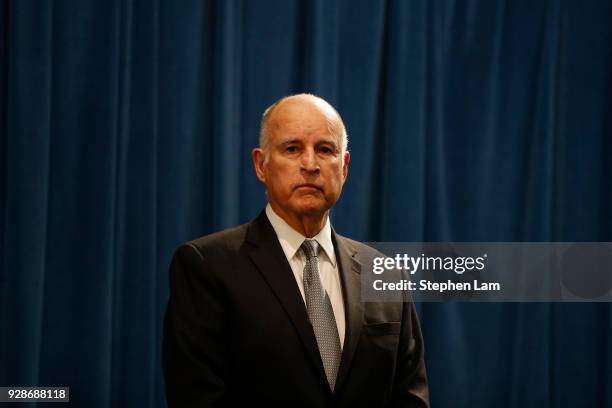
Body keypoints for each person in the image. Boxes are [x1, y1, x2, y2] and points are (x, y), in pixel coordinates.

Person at [162, 94, 429, 407]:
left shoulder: (387, 274)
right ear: (261, 164)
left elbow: (410, 397)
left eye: (325, 149)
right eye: (292, 148)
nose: (310, 164)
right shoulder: (207, 266)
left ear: (344, 167)